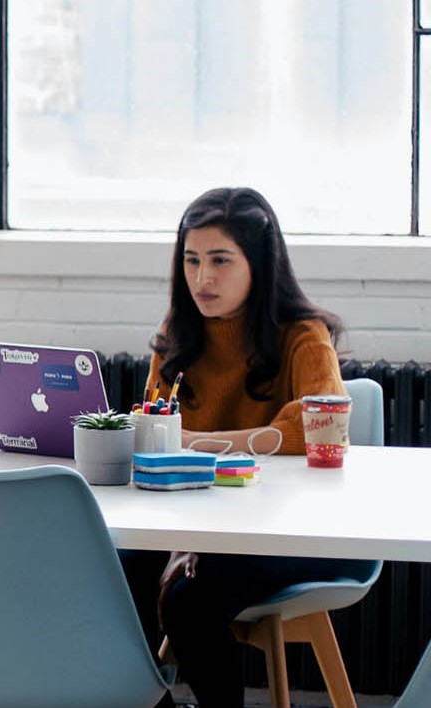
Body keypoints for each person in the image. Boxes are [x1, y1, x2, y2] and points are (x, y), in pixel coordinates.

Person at [121, 187, 368, 708]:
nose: (202, 278)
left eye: (220, 261)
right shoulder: (177, 337)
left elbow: (320, 426)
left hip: (297, 533)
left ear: (259, 263)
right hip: (195, 525)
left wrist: (198, 442)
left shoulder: (303, 335)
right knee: (110, 572)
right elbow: (155, 431)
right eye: (191, 260)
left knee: (189, 600)